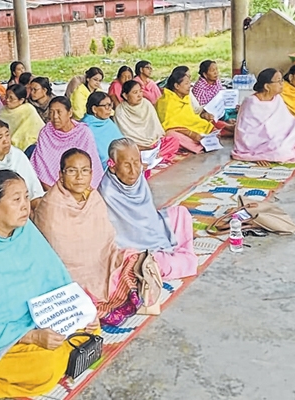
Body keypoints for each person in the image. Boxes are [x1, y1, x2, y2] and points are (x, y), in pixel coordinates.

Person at [0, 170, 99, 400]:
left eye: (25, 197)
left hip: (39, 318)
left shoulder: (25, 230)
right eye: (16, 199)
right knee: (45, 369)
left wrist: (79, 313)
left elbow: (54, 277)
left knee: (90, 329)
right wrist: (32, 337)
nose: (25, 206)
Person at [33, 149, 141, 326]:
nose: (79, 177)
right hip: (70, 275)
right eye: (72, 171)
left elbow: (106, 240)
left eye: (85, 170)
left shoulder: (94, 197)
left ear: (91, 173)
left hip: (102, 262)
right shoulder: (51, 205)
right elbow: (58, 251)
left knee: (134, 261)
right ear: (60, 175)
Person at [98, 138, 198, 280]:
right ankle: (176, 259)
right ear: (113, 166)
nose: (133, 171)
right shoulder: (107, 193)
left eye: (136, 163)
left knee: (180, 213)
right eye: (127, 165)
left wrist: (155, 236)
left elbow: (147, 215)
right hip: (132, 248)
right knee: (156, 263)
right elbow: (123, 234)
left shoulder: (139, 180)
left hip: (152, 231)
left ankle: (179, 255)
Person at [232, 68, 295, 165]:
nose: (282, 84)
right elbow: (246, 132)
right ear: (267, 86)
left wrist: (283, 133)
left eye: (282, 80)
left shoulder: (277, 98)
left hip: (279, 135)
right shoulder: (251, 103)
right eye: (278, 81)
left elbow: (287, 121)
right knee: (281, 150)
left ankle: (290, 146)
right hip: (261, 141)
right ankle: (264, 153)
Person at [31, 97, 104, 190]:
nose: (55, 117)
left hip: (81, 184)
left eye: (59, 112)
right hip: (52, 188)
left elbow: (91, 161)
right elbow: (40, 164)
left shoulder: (83, 132)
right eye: (51, 112)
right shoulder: (46, 132)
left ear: (69, 113)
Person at [114, 80, 180, 162]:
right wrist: (143, 147)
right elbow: (125, 137)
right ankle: (156, 157)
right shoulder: (120, 111)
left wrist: (152, 144)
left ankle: (156, 156)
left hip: (153, 144)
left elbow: (155, 127)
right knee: (127, 151)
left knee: (174, 140)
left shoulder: (146, 104)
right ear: (125, 95)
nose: (139, 95)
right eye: (135, 92)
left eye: (140, 91)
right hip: (137, 147)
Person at [155, 67, 217, 151]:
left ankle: (205, 140)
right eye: (186, 83)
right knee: (172, 136)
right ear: (177, 86)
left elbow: (190, 118)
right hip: (178, 132)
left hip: (191, 128)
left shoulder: (185, 97)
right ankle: (199, 145)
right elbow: (169, 127)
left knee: (211, 123)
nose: (190, 86)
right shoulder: (166, 101)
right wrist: (191, 134)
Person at [81, 92, 123, 168]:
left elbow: (121, 142)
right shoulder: (85, 128)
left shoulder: (108, 122)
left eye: (110, 105)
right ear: (94, 109)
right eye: (106, 106)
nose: (109, 109)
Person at [0, 84, 45, 151]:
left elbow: (38, 130)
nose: (7, 100)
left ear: (21, 100)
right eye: (6, 96)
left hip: (28, 145)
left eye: (11, 98)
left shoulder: (28, 110)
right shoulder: (2, 111)